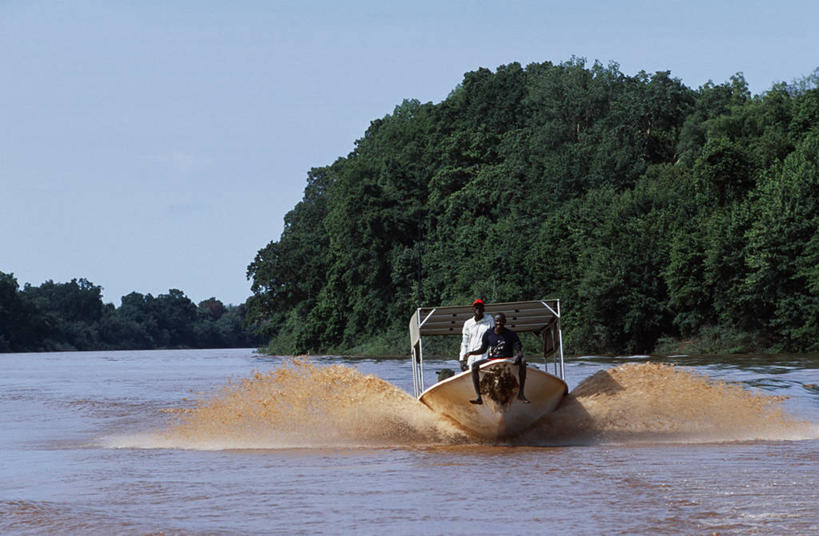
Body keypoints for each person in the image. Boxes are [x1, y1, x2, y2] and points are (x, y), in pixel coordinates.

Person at [462, 312, 529, 405]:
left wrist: (519, 355)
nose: (499, 323)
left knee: (523, 361)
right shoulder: (488, 333)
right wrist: (470, 353)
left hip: (507, 359)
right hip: (492, 360)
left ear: (505, 322)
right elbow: (482, 349)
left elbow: (518, 348)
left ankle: (521, 394)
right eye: (497, 321)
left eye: (501, 321)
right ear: (494, 322)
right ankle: (478, 397)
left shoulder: (511, 334)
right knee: (474, 366)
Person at [459, 299, 494, 373]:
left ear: (483, 309)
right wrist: (462, 360)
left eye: (480, 307)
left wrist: (491, 356)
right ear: (473, 309)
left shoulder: (490, 321)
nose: (478, 309)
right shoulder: (468, 323)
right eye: (476, 307)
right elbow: (464, 343)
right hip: (471, 357)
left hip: (484, 356)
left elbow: (493, 341)